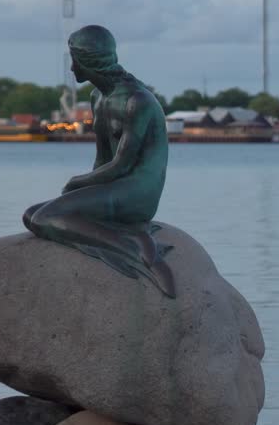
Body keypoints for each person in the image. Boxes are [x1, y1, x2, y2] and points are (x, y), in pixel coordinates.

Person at [22, 24, 175, 297]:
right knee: (31, 215)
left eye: (75, 60)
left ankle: (137, 246)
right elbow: (103, 160)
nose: (72, 68)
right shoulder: (97, 98)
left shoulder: (137, 101)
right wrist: (84, 191)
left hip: (138, 192)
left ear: (89, 60)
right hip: (114, 187)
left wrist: (76, 183)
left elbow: (122, 165)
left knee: (47, 216)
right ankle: (124, 236)